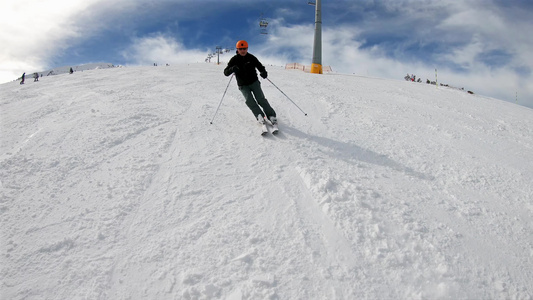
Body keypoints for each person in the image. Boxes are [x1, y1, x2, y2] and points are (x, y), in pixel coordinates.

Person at [224, 40, 277, 125]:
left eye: (244, 48)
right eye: (240, 49)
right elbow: (226, 72)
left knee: (261, 99)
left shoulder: (251, 57)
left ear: (247, 48)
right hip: (243, 85)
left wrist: (263, 72)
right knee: (250, 101)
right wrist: (232, 69)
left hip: (254, 82)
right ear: (237, 49)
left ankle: (271, 115)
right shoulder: (234, 60)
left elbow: (260, 66)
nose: (243, 50)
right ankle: (259, 115)